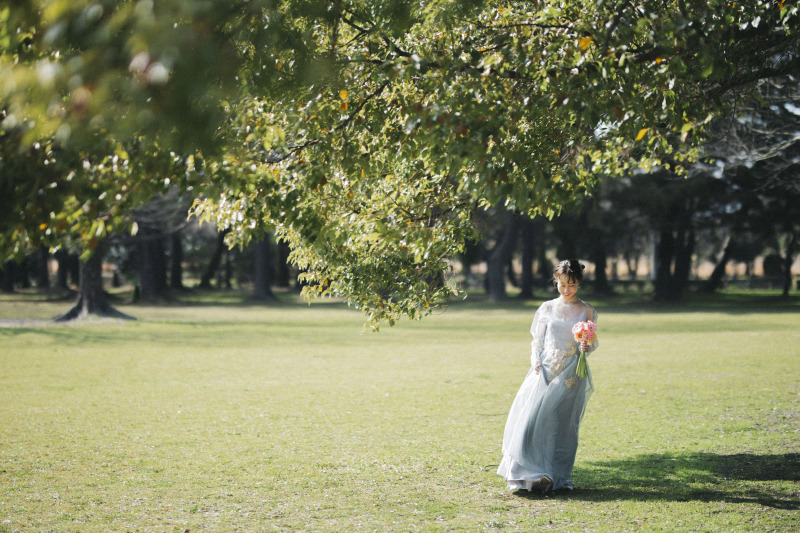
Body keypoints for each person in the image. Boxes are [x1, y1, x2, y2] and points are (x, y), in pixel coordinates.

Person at [497, 259, 598, 492]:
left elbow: (591, 342)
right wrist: (536, 363)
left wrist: (586, 346)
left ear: (579, 283)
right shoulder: (547, 308)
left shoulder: (587, 310)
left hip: (572, 373)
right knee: (532, 420)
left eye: (571, 285)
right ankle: (522, 475)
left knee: (563, 425)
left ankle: (557, 476)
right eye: (562, 284)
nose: (566, 289)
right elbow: (538, 340)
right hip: (546, 369)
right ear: (556, 282)